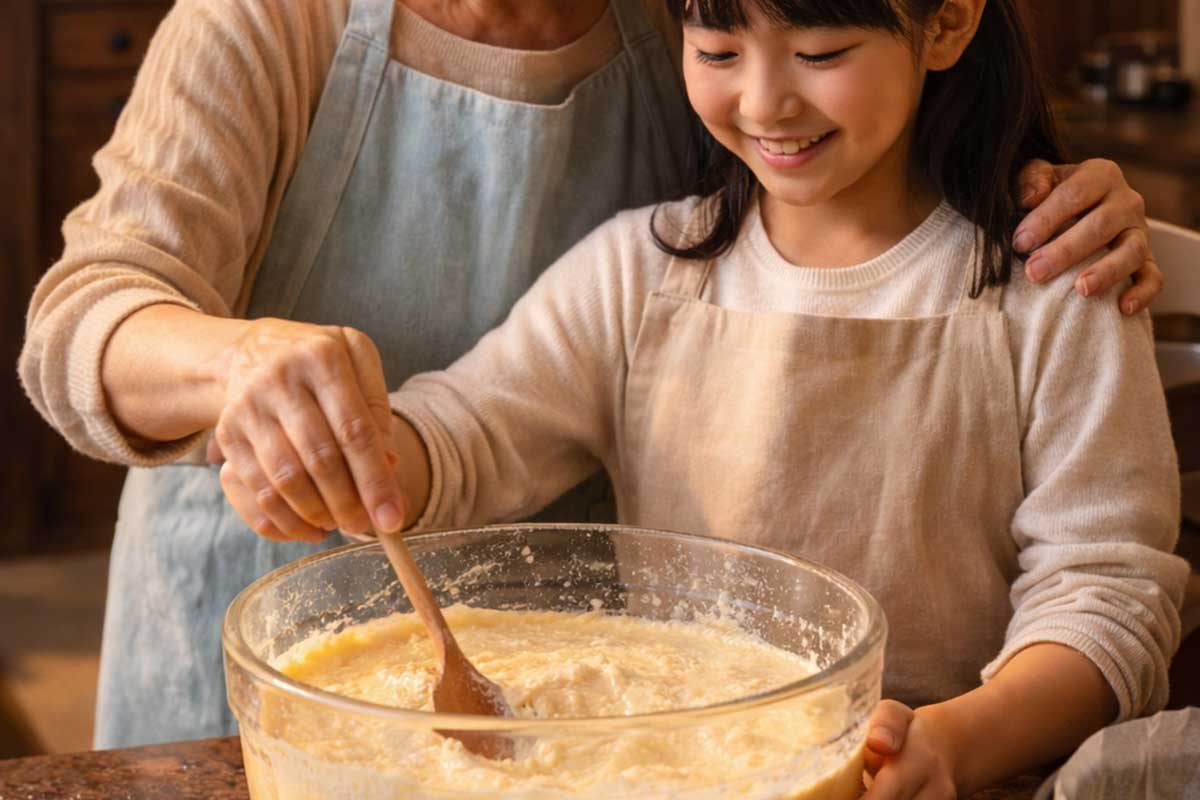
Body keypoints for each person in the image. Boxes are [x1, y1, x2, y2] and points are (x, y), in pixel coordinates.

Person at [16, 0, 1162, 753]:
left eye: (812, 56)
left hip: (594, 706)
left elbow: (1106, 581)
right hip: (257, 659)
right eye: (722, 56)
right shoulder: (264, 22)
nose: (763, 97)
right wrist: (257, 384)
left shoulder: (687, 29)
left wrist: (1058, 194)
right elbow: (82, 320)